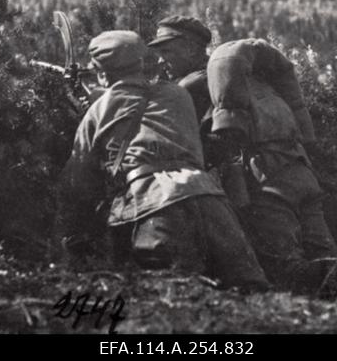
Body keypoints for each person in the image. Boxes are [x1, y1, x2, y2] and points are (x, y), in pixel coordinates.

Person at [149, 17, 337, 293]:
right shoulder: (250, 78)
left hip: (264, 183)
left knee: (284, 275)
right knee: (325, 267)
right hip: (300, 174)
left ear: (189, 48)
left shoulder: (194, 86)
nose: (161, 61)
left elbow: (189, 145)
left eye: (166, 51)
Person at [55, 30, 268, 290]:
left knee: (174, 298)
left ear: (102, 73)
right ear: (141, 62)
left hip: (155, 205)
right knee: (251, 293)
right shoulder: (178, 96)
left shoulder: (99, 110)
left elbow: (77, 183)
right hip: (211, 201)